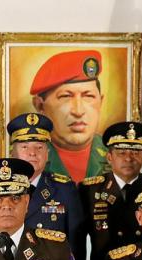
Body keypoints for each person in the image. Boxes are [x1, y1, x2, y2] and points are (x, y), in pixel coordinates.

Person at [0, 112, 84, 260]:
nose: (32, 153)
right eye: (24, 147)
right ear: (12, 153)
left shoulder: (65, 189)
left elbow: (76, 246)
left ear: (47, 153)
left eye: (39, 147)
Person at [79, 121, 142, 260]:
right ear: (109, 157)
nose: (128, 158)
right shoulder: (89, 190)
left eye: (135, 152)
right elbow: (76, 240)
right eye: (121, 152)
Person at [30, 50, 109, 182]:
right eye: (65, 97)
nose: (78, 111)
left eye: (88, 96)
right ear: (40, 106)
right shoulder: (27, 157)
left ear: (100, 102)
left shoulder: (120, 157)